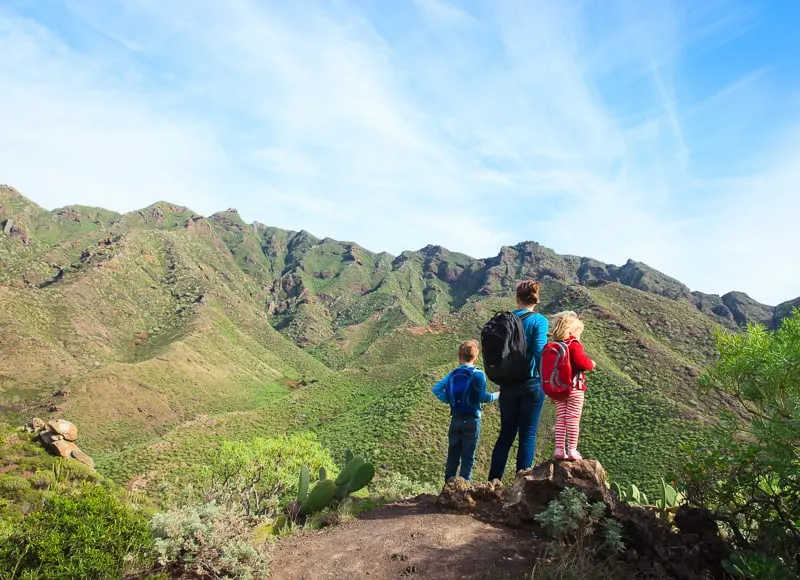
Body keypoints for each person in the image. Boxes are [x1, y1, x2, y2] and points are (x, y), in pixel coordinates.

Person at [488, 281, 549, 481]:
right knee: (528, 435)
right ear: (536, 299)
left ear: (517, 298)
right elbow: (540, 351)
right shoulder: (539, 321)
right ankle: (521, 486)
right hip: (531, 383)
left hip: (507, 384)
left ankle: (493, 483)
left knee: (505, 435)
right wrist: (548, 380)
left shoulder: (507, 320)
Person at [432, 339, 498, 482]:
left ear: (459, 356)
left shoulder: (453, 373)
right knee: (468, 456)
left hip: (455, 418)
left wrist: (449, 400)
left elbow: (436, 389)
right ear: (476, 357)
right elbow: (483, 397)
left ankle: (448, 485)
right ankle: (464, 487)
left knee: (453, 454)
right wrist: (498, 395)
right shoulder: (479, 374)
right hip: (472, 420)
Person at [548, 311, 596, 461]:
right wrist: (592, 364)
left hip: (558, 389)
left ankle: (559, 449)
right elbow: (583, 363)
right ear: (573, 331)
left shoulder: (554, 346)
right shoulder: (574, 345)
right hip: (574, 389)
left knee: (561, 418)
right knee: (573, 419)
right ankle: (572, 450)